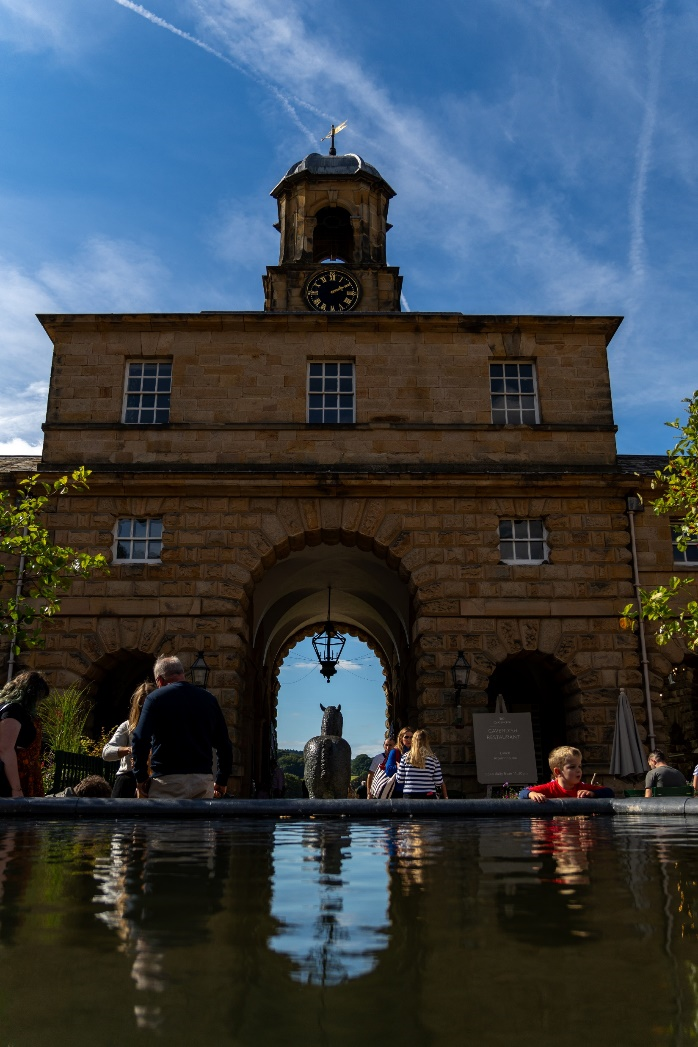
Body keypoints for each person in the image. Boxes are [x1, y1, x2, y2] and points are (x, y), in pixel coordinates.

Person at [132, 655, 233, 800]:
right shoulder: (209, 699)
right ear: (182, 674)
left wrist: (141, 777)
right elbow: (224, 743)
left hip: (167, 780)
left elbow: (140, 739)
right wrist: (222, 779)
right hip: (202, 779)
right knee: (200, 822)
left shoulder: (155, 699)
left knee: (165, 822)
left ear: (159, 680)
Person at [0, 671, 49, 798]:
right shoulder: (14, 710)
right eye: (39, 697)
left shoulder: (7, 708)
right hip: (7, 779)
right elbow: (5, 749)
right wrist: (16, 789)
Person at [103, 681, 155, 798]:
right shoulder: (128, 726)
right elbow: (106, 752)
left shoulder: (161, 728)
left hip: (153, 780)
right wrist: (130, 749)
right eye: (141, 707)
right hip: (128, 778)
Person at [527, 746, 614, 802]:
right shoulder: (550, 788)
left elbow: (609, 792)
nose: (578, 770)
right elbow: (523, 792)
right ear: (558, 772)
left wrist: (592, 793)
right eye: (572, 767)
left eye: (579, 766)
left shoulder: (582, 788)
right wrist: (532, 794)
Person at [395, 728, 448, 799]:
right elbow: (438, 781)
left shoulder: (406, 757)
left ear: (413, 741)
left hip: (410, 795)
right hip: (428, 794)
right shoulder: (433, 758)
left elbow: (400, 779)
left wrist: (399, 768)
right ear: (427, 741)